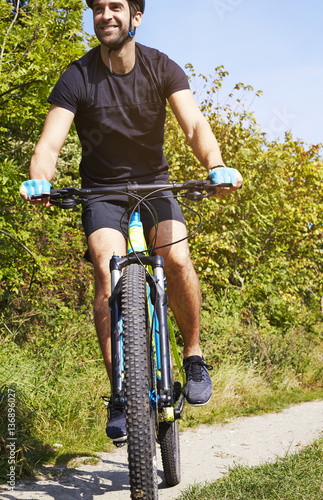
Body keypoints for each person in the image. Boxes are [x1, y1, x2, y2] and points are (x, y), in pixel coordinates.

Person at [20, 0, 243, 442]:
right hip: (101, 192)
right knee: (107, 271)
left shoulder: (161, 67)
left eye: (116, 6)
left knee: (176, 257)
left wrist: (216, 163)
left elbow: (194, 124)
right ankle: (121, 392)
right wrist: (39, 180)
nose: (106, 15)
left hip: (154, 186)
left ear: (135, 17)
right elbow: (48, 145)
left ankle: (193, 355)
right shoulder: (77, 76)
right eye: (98, 8)